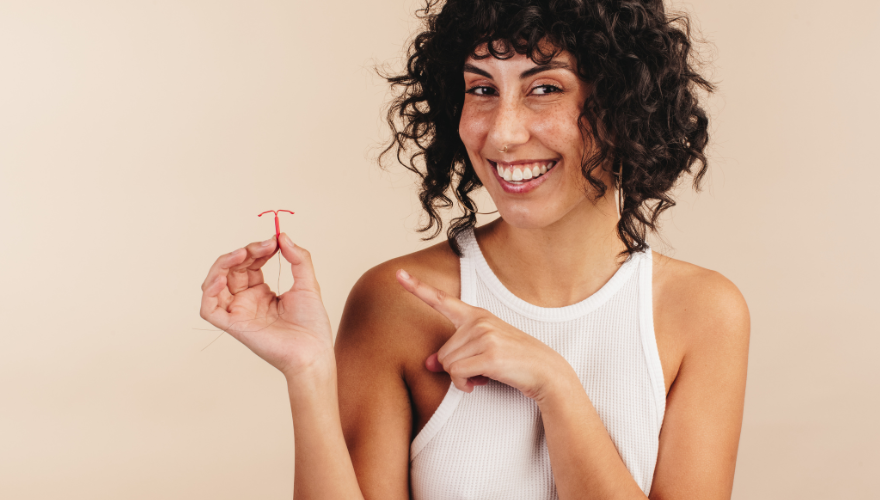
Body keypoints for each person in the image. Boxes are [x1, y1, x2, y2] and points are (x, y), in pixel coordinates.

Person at [199, 0, 749, 498]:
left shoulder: (702, 313)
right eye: (482, 89)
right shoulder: (399, 302)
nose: (503, 134)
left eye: (545, 88)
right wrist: (309, 374)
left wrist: (556, 387)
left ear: (625, 104)